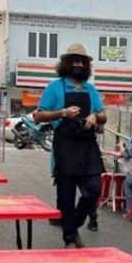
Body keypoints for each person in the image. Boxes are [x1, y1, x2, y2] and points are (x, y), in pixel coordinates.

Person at [35, 44, 106, 248]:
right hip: (65, 146)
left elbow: (103, 115)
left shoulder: (90, 89)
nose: (78, 64)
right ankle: (70, 238)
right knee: (65, 196)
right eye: (74, 60)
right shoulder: (55, 87)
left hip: (87, 146)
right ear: (66, 63)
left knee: (94, 191)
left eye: (82, 61)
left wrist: (94, 115)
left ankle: (73, 223)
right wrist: (63, 113)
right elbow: (40, 115)